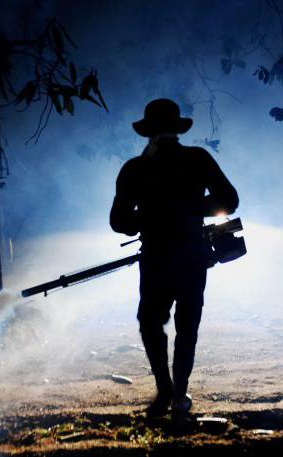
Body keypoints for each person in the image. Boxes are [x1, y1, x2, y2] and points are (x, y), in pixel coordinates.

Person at [109, 98, 239, 422]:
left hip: (156, 258)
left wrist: (150, 217)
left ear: (148, 133)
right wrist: (191, 210)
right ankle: (178, 393)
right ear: (177, 131)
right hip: (193, 257)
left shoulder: (135, 168)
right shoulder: (198, 159)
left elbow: (118, 222)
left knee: (151, 322)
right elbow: (229, 201)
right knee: (187, 325)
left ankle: (166, 389)